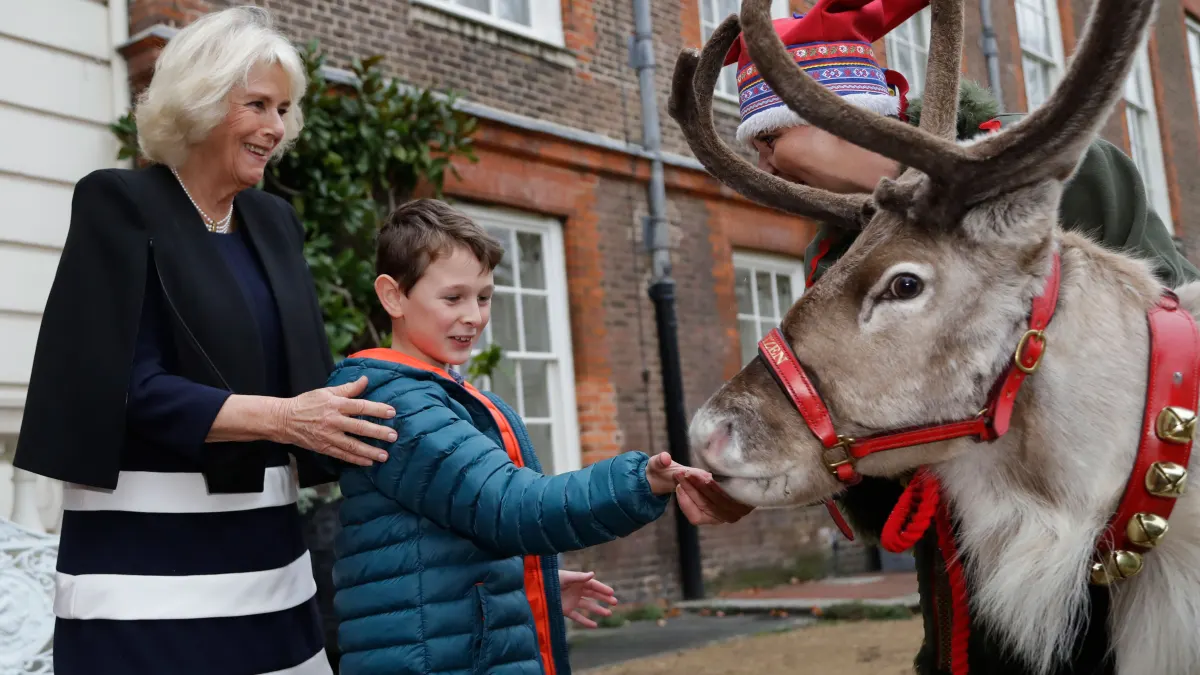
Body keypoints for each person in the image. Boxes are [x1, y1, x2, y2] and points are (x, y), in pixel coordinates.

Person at [719, 2, 1200, 674]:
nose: (762, 162)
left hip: (1131, 592)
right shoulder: (835, 263)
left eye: (767, 134)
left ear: (831, 110)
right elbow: (870, 467)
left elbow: (1182, 350)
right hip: (973, 605)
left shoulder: (1068, 178)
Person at [12, 8, 398, 675]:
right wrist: (283, 417)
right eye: (257, 105)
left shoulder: (275, 222)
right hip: (144, 567)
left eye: (283, 108)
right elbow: (122, 387)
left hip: (271, 560)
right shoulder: (119, 204)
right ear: (200, 100)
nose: (277, 128)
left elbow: (310, 376)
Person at [326, 199, 747, 675]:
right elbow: (512, 507)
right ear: (393, 296)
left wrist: (529, 582)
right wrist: (640, 481)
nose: (474, 316)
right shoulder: (399, 405)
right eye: (453, 298)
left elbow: (448, 536)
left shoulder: (435, 391)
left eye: (483, 297)